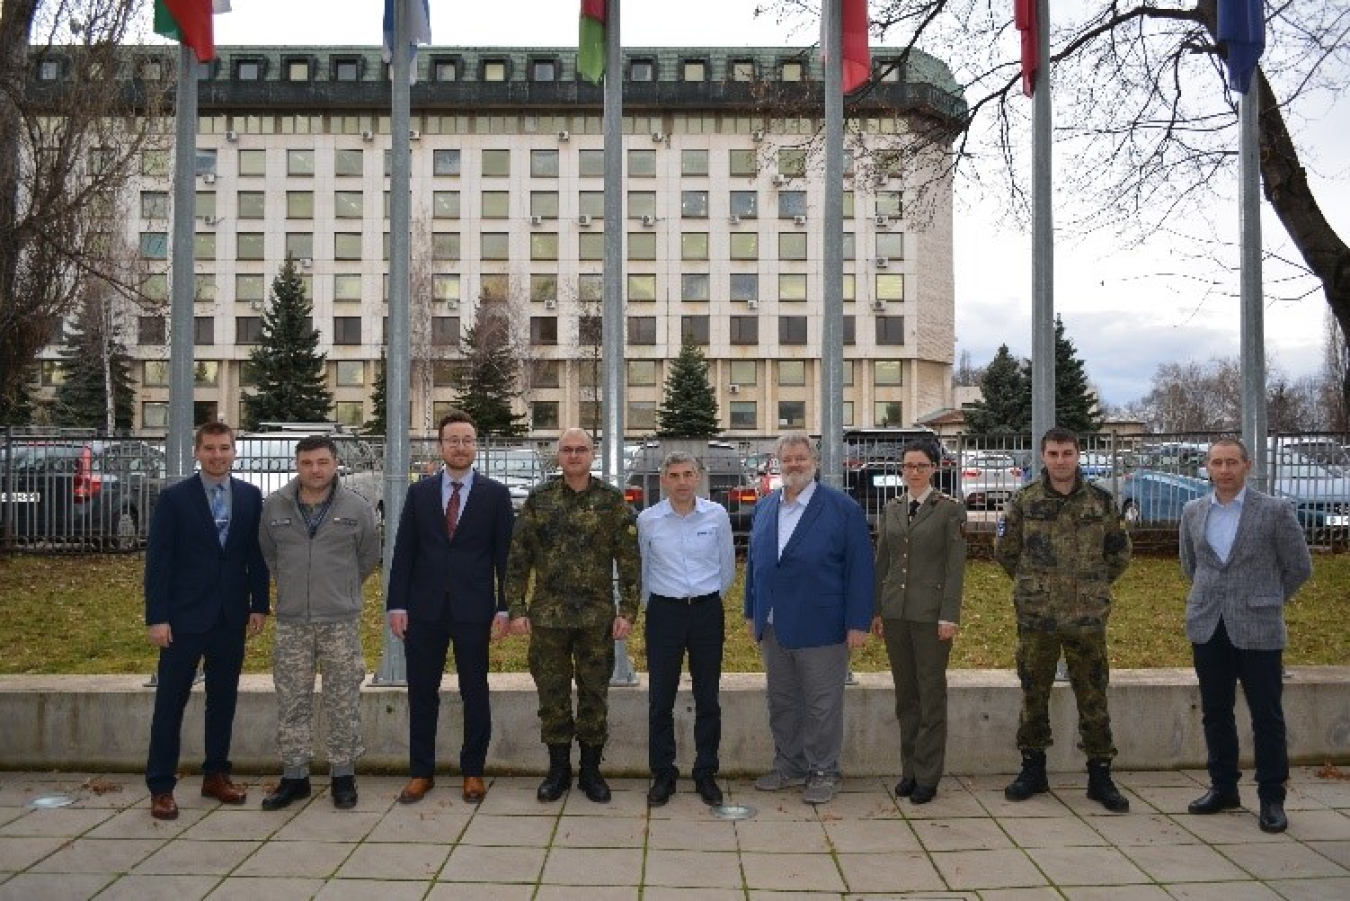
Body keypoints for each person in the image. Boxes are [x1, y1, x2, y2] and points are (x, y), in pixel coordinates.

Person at [995, 426, 1132, 813]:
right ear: (1043, 457)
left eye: (1067, 453)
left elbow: (1119, 555)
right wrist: (1035, 587)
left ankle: (1100, 775)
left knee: (1093, 694)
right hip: (1037, 617)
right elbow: (1006, 552)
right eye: (1053, 454)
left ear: (1078, 455)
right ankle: (1032, 769)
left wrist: (1089, 586)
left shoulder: (1101, 503)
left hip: (1086, 617)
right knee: (1033, 691)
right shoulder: (1025, 501)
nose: (1060, 461)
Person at [1181, 437, 1312, 834]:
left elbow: (1299, 567)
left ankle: (1271, 796)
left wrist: (1267, 599)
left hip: (1259, 628)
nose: (1224, 470)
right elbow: (1191, 564)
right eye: (1216, 463)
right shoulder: (1193, 511)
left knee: (1267, 716)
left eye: (1232, 462)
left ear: (1247, 465)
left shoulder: (1274, 511)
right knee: (1215, 713)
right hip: (1208, 625)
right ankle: (1223, 788)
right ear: (1207, 467)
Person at [506, 427, 641, 804]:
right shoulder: (539, 499)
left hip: (596, 619)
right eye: (567, 449)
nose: (574, 456)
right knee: (552, 695)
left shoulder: (612, 502)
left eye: (581, 449)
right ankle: (558, 770)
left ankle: (592, 772)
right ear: (558, 456)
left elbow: (630, 562)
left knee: (594, 695)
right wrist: (516, 608)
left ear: (592, 454)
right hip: (548, 619)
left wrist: (628, 611)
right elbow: (518, 560)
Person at [143, 421, 269, 820]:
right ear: (197, 452)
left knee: (223, 700)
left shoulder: (250, 497)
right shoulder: (175, 499)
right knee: (170, 703)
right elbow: (158, 563)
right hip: (182, 620)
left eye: (224, 448)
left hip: (230, 617)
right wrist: (157, 617)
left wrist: (259, 604)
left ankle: (216, 774)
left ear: (235, 452)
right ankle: (161, 785)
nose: (218, 455)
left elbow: (256, 555)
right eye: (210, 448)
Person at [388, 410, 515, 805]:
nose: (460, 447)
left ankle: (473, 771)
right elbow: (404, 552)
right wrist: (396, 604)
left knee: (474, 691)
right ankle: (420, 772)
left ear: (476, 446)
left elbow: (505, 557)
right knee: (421, 692)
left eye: (467, 440)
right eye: (453, 440)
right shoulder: (420, 493)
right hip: (424, 610)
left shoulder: (495, 495)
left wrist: (505, 607)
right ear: (441, 446)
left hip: (473, 611)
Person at [743, 432, 873, 805]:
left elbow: (860, 568)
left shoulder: (841, 508)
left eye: (800, 458)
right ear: (778, 464)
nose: (794, 465)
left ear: (813, 462)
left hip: (823, 623)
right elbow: (756, 563)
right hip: (774, 623)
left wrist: (858, 622)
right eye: (787, 459)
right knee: (782, 701)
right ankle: (789, 765)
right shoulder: (767, 507)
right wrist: (752, 610)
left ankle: (823, 771)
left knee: (821, 704)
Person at [257, 436, 380, 811]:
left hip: (339, 621)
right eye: (308, 462)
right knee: (292, 700)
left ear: (335, 463)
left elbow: (368, 556)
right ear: (298, 464)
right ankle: (294, 777)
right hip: (293, 622)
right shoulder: (275, 506)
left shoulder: (356, 508)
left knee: (343, 700)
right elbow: (270, 556)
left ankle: (343, 776)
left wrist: (339, 590)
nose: (315, 470)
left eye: (322, 462)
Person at [638, 451, 736, 807]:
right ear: (664, 480)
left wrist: (705, 598)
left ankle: (705, 772)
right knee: (660, 699)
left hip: (707, 611)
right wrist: (658, 607)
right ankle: (663, 774)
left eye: (688, 474)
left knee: (708, 698)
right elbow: (644, 570)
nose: (681, 482)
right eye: (674, 475)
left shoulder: (717, 515)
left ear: (698, 478)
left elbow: (727, 569)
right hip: (665, 613)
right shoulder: (648, 520)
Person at [871, 439, 967, 804]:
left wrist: (949, 615)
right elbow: (883, 563)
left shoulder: (949, 510)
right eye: (908, 466)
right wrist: (877, 610)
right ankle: (909, 769)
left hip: (931, 617)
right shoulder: (892, 508)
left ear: (934, 468)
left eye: (921, 466)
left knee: (930, 695)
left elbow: (955, 568)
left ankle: (928, 774)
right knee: (905, 696)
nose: (913, 472)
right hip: (896, 614)